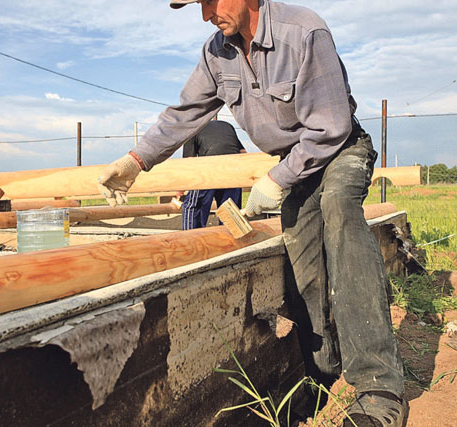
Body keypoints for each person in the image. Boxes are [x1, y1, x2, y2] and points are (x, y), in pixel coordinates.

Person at [97, 1, 407, 425]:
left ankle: (378, 388)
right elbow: (186, 113)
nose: (206, 14)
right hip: (293, 164)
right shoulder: (216, 52)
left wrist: (278, 179)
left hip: (339, 151)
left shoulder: (304, 31)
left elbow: (330, 127)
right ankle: (322, 376)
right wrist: (136, 160)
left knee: (339, 214)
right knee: (303, 263)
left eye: (210, 0)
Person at [180, 120, 246, 229]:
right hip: (233, 167)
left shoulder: (191, 128)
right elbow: (243, 152)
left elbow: (189, 161)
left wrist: (181, 188)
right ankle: (233, 242)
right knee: (230, 209)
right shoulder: (226, 125)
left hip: (209, 167)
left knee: (194, 207)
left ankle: (191, 240)